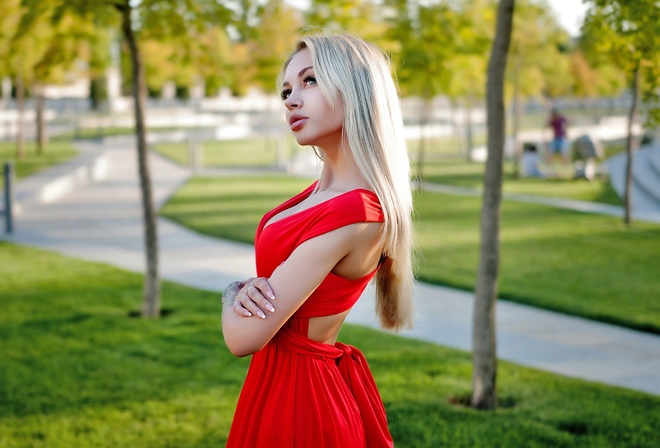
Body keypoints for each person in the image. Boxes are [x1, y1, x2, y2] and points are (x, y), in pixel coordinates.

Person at [221, 34, 415, 447]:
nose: (291, 100)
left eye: (309, 81)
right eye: (286, 90)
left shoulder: (357, 211)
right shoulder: (319, 194)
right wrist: (242, 294)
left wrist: (233, 294)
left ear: (356, 89)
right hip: (278, 384)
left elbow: (243, 338)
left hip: (301, 402)